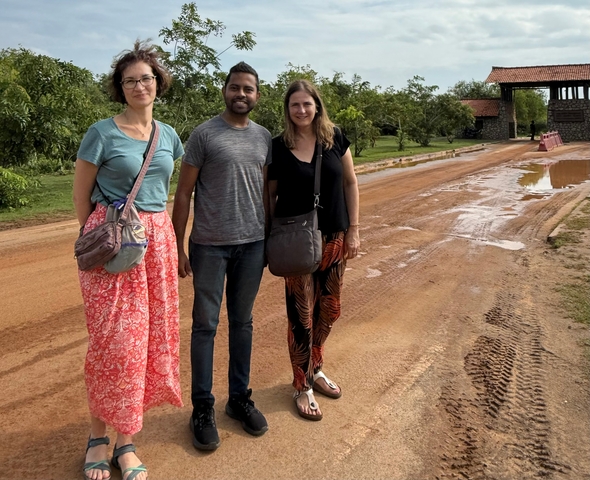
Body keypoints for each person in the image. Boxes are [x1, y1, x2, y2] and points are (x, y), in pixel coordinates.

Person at [73, 41, 184, 480]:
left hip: (157, 242)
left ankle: (125, 442)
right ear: (121, 88)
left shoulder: (170, 135)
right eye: (131, 80)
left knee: (147, 342)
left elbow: (167, 190)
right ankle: (97, 435)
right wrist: (98, 236)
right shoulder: (102, 132)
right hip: (113, 242)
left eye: (147, 78)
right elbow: (81, 195)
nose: (140, 85)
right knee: (114, 342)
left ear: (158, 84)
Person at [172, 61, 271, 451]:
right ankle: (202, 407)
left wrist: (271, 238)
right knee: (205, 326)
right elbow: (183, 193)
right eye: (235, 87)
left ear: (257, 96)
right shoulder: (204, 134)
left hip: (252, 245)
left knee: (243, 322)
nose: (241, 94)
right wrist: (178, 245)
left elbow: (266, 193)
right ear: (225, 90)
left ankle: (239, 399)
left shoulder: (264, 138)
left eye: (248, 89)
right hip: (210, 246)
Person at [268, 80, 360, 421]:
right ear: (287, 110)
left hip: (335, 237)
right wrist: (268, 237)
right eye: (295, 105)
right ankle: (301, 384)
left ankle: (316, 366)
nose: (302, 110)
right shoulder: (278, 146)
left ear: (317, 106)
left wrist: (355, 230)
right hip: (295, 241)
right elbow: (270, 195)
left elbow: (350, 182)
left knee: (329, 309)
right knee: (300, 317)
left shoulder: (335, 137)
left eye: (307, 104)